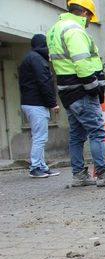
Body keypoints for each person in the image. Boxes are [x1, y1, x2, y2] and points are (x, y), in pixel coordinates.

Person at [47, 0, 105, 187]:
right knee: (97, 131)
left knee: (76, 134)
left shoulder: (55, 29)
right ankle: (103, 173)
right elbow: (82, 63)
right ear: (83, 13)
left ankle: (79, 175)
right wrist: (94, 88)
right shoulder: (74, 30)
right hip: (81, 90)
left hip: (68, 91)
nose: (90, 21)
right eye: (90, 16)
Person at [18, 34, 60, 178]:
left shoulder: (31, 58)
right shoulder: (37, 59)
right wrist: (53, 103)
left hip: (30, 102)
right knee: (40, 137)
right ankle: (35, 167)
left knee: (39, 136)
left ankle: (42, 166)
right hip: (36, 103)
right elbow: (44, 82)